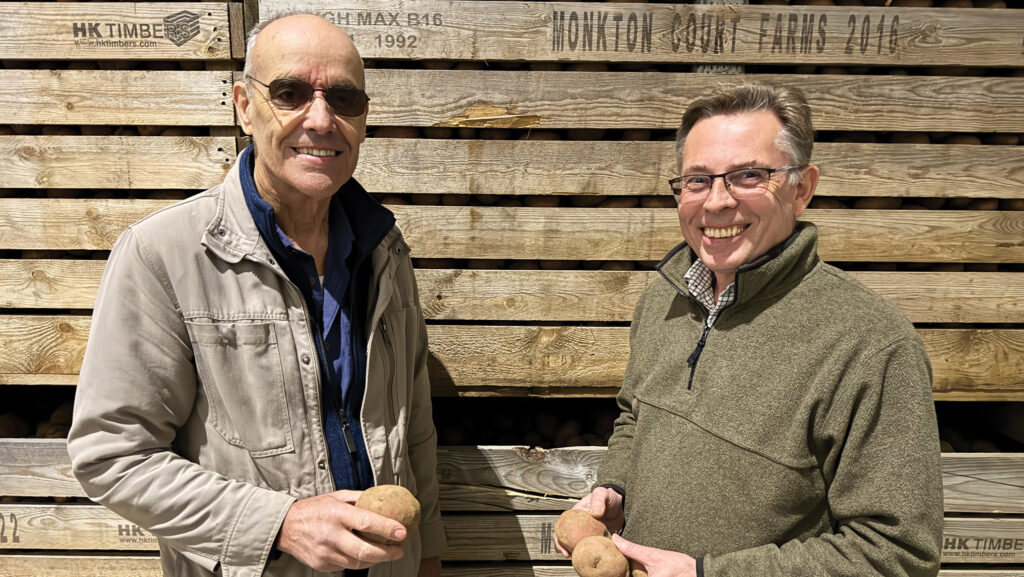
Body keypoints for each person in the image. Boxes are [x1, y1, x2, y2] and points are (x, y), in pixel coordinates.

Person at [67, 13, 443, 577]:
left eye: (344, 99)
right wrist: (279, 524)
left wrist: (428, 556)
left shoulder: (384, 249)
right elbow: (112, 456)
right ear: (244, 105)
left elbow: (412, 429)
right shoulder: (164, 253)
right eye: (290, 93)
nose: (321, 119)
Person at [557, 83, 943, 577]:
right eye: (697, 180)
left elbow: (898, 553)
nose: (716, 202)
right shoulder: (664, 298)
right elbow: (637, 417)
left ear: (802, 188)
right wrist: (618, 486)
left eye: (747, 176)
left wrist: (706, 574)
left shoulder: (872, 345)